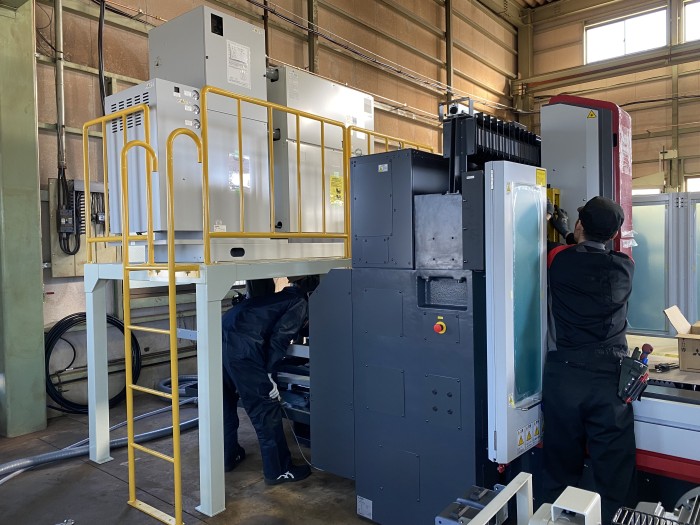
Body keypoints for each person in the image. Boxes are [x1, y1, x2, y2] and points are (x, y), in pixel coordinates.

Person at [544, 196, 636, 524]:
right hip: (610, 379)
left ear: (580, 224)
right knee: (614, 473)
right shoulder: (625, 266)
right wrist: (572, 233)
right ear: (614, 235)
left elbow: (564, 250)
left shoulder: (557, 259)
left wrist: (557, 227)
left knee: (559, 469)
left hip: (565, 377)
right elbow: (588, 251)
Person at [222, 276, 318, 484]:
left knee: (224, 404)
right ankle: (279, 470)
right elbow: (280, 338)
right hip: (243, 349)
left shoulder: (279, 298)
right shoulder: (300, 302)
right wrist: (269, 373)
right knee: (266, 409)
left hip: (221, 337)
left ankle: (228, 456)